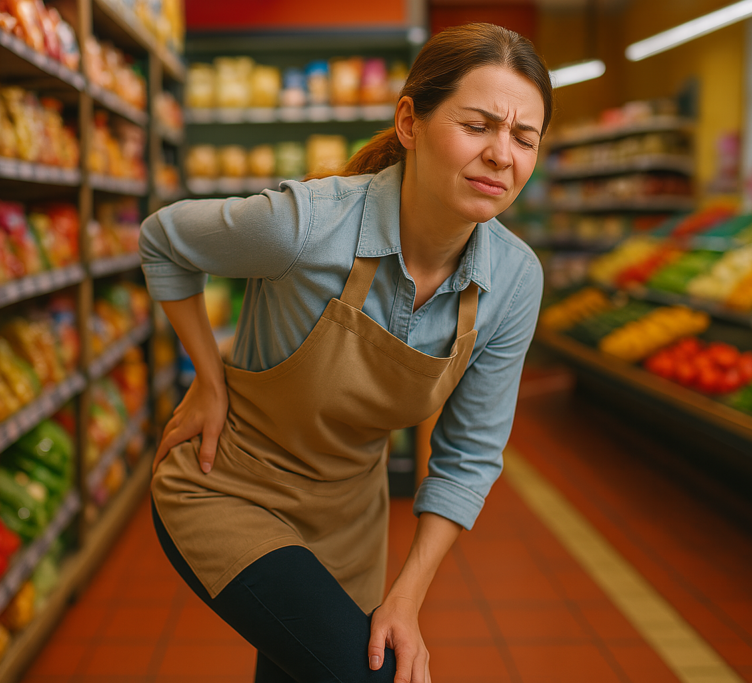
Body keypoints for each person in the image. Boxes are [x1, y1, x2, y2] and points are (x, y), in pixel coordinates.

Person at [140, 22, 552, 683]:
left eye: (524, 137)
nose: (502, 154)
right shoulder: (306, 226)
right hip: (229, 488)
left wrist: (407, 597)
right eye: (478, 126)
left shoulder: (514, 279)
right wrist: (210, 380)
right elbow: (164, 239)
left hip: (350, 525)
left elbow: (468, 456)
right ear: (410, 123)